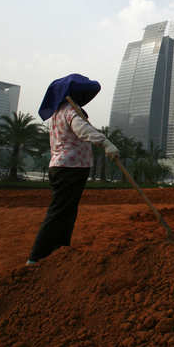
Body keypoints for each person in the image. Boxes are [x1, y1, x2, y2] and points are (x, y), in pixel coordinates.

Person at [26, 74, 119, 266]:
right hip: (69, 168)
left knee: (67, 211)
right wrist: (105, 142)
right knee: (60, 211)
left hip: (63, 167)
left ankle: (60, 250)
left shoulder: (58, 113)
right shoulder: (69, 111)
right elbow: (82, 130)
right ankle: (35, 257)